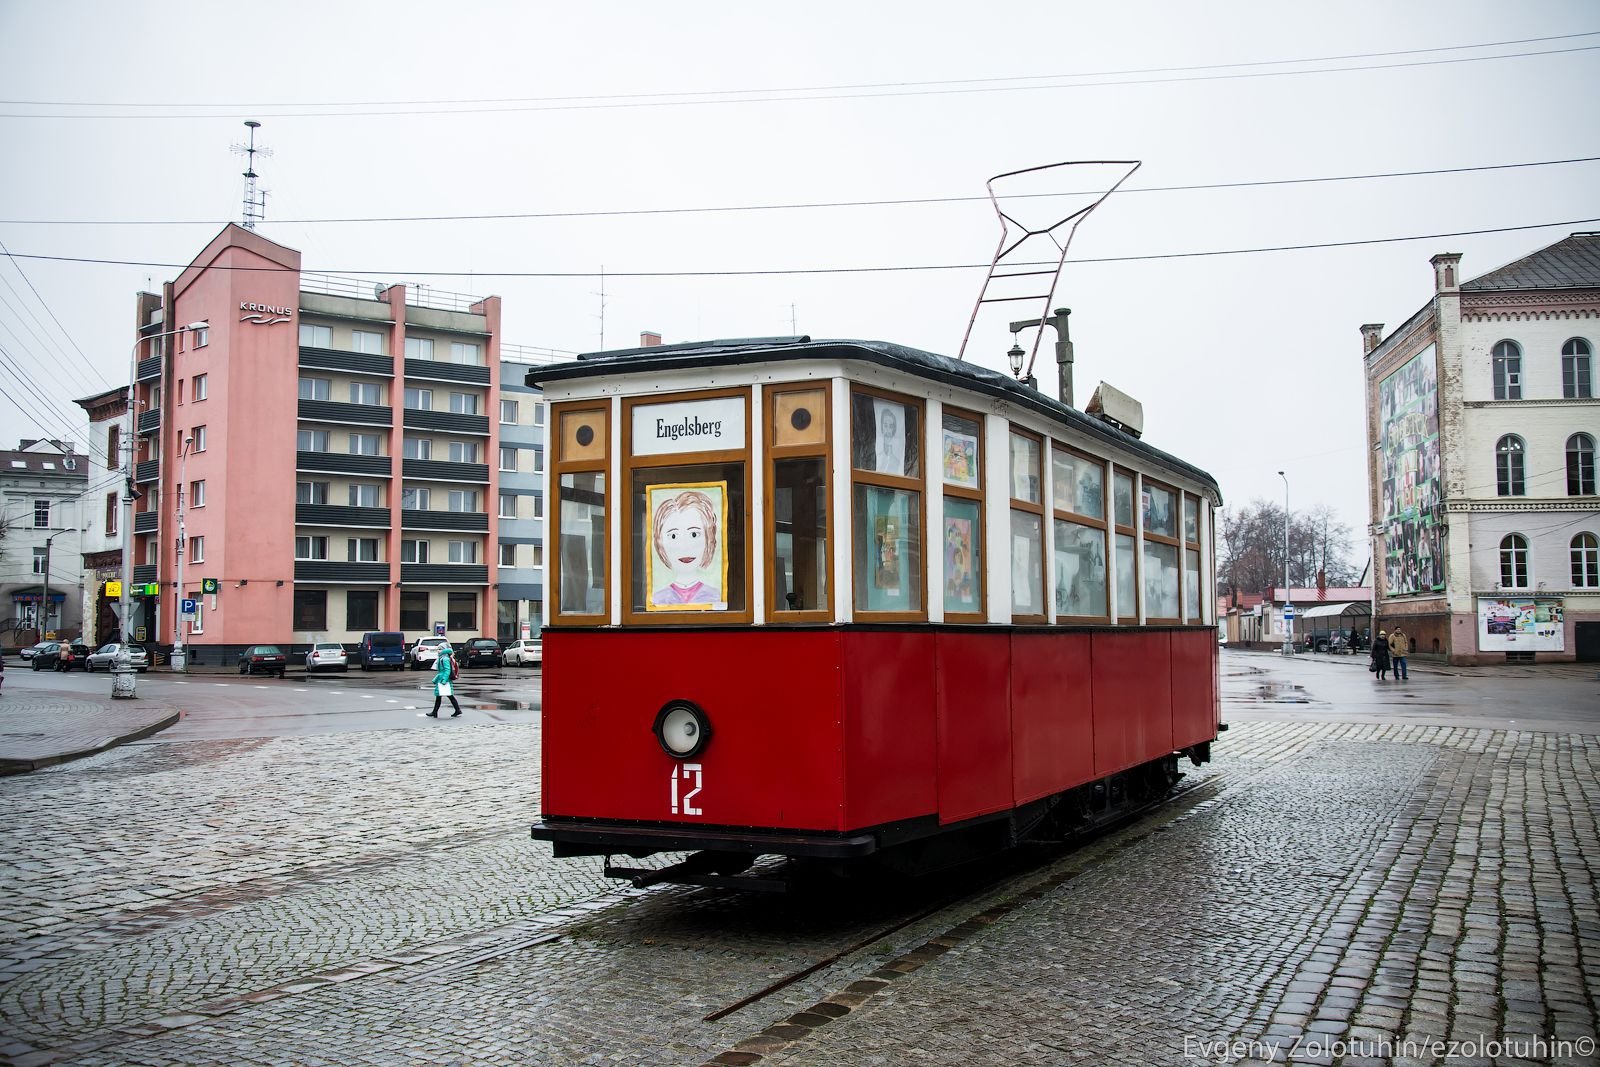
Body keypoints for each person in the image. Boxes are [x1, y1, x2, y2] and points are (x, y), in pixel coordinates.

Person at [651, 490, 722, 607]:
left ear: (708, 538)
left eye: (694, 534)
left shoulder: (716, 597)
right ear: (660, 542)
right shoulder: (657, 599)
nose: (684, 546)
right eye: (673, 536)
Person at [428, 645, 461, 717]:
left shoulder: (444, 658)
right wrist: (436, 679)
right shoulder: (442, 658)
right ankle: (435, 712)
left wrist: (444, 680)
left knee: (448, 696)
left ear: (443, 650)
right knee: (441, 696)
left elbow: (447, 670)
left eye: (439, 649)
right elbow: (441, 672)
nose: (438, 650)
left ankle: (457, 710)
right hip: (442, 679)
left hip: (444, 680)